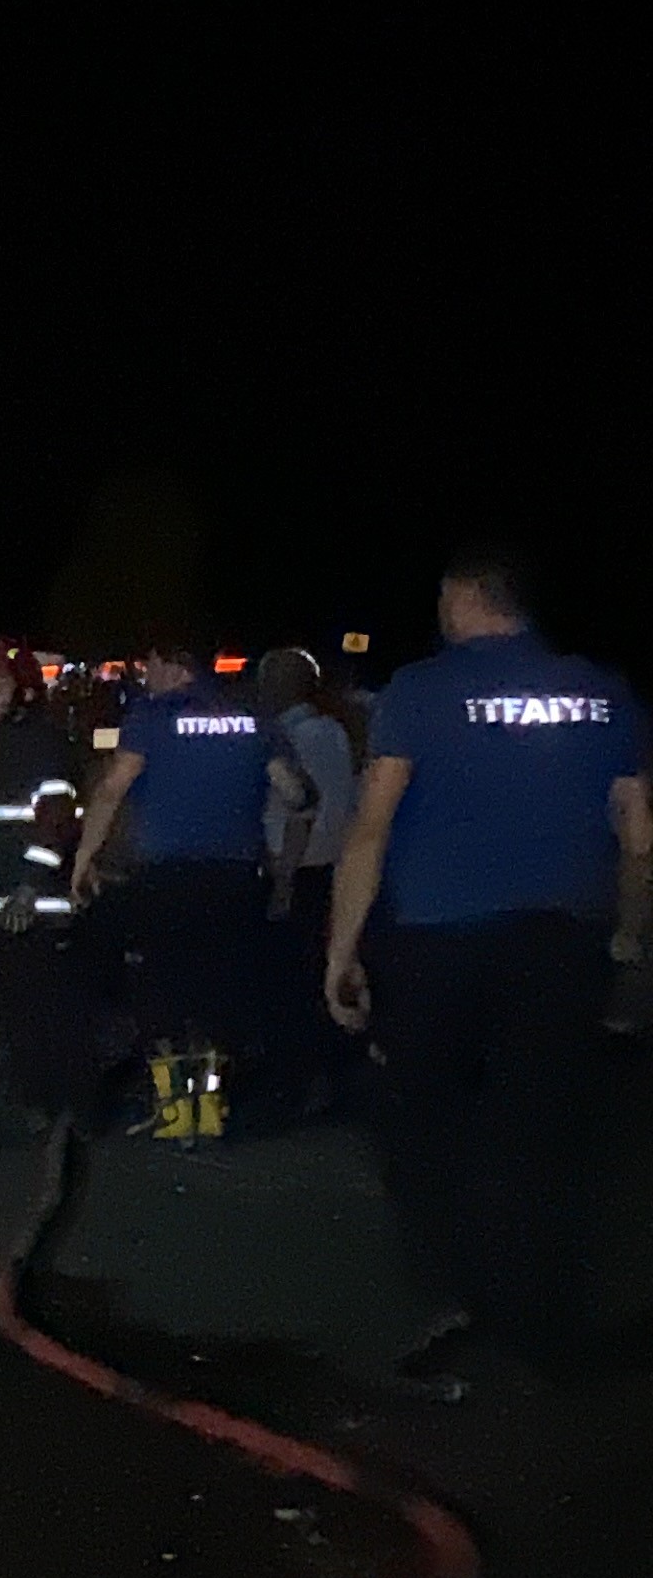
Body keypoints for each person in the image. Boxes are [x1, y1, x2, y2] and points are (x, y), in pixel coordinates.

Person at [324, 548, 653, 1371]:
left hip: (439, 944)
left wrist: (342, 951)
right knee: (542, 1130)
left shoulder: (422, 691)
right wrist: (628, 938)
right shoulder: (605, 692)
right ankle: (541, 1317)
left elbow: (371, 829)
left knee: (425, 1123)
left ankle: (454, 1296)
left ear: (468, 601)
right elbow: (638, 835)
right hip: (562, 944)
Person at [73, 636, 311, 1128]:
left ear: (172, 665)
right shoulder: (252, 718)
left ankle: (176, 1112)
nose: (145, 677)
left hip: (168, 880)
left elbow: (112, 790)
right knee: (218, 997)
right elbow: (297, 793)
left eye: (150, 665)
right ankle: (210, 1110)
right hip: (236, 880)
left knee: (163, 995)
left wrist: (84, 858)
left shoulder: (152, 717)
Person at [0, 641, 104, 1116]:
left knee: (45, 1014)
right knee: (22, 1014)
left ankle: (65, 1106)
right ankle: (44, 1100)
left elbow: (56, 818)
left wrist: (28, 888)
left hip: (29, 911)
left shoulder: (38, 743)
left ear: (25, 693)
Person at [254, 646, 358, 1107]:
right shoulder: (334, 731)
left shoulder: (292, 737)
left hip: (298, 869)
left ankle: (302, 1081)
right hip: (333, 867)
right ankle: (335, 1074)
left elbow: (301, 812)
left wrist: (282, 882)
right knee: (325, 969)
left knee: (294, 981)